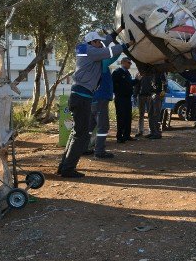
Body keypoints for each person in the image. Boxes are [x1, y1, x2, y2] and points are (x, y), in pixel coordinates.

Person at [58, 29, 127, 178]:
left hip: (79, 96)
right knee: (80, 135)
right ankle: (68, 169)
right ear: (92, 42)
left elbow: (105, 45)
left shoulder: (86, 49)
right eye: (99, 42)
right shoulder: (90, 51)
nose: (101, 44)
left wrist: (115, 33)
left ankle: (64, 166)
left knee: (76, 133)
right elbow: (109, 52)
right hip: (82, 97)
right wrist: (125, 45)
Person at [89, 52, 119, 159]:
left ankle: (83, 148)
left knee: (90, 126)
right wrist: (123, 46)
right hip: (101, 100)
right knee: (103, 126)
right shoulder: (101, 64)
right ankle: (99, 151)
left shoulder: (90, 66)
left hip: (92, 100)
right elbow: (114, 56)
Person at [112, 57, 139, 143]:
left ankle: (127, 135)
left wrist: (137, 80)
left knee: (128, 117)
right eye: (128, 62)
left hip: (127, 98)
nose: (130, 64)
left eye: (130, 63)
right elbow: (113, 85)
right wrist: (119, 91)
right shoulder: (117, 72)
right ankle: (119, 137)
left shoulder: (127, 73)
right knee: (121, 117)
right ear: (122, 62)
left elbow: (130, 84)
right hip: (120, 98)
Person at [147, 71, 167, 139]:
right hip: (152, 94)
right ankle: (152, 132)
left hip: (157, 95)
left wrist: (163, 91)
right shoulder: (152, 72)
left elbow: (165, 82)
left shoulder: (161, 71)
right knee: (150, 113)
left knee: (156, 114)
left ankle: (157, 133)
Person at [135, 72, 153, 137]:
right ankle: (140, 131)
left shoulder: (151, 74)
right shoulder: (139, 73)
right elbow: (137, 85)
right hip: (141, 96)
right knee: (141, 114)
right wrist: (135, 95)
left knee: (150, 114)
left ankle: (151, 130)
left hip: (149, 96)